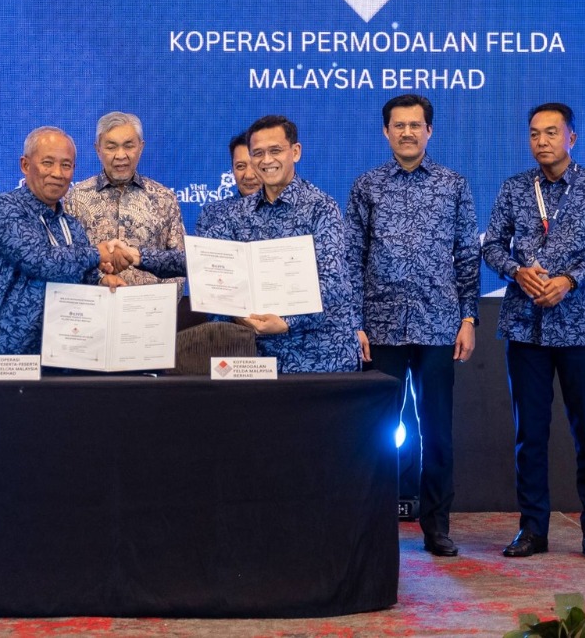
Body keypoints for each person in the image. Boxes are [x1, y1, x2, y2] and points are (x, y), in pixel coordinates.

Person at [482, 102, 585, 561]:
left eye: (551, 132)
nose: (541, 141)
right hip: (525, 328)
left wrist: (569, 280)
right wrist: (517, 272)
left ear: (571, 138)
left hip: (581, 327)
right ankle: (532, 530)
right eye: (534, 134)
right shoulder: (514, 188)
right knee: (530, 435)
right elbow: (492, 246)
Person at [344, 94, 480, 557]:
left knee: (437, 430)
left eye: (415, 125)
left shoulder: (453, 185)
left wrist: (468, 318)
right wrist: (355, 323)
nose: (407, 132)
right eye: (398, 125)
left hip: (439, 326)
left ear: (429, 131)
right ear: (386, 132)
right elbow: (351, 259)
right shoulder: (366, 187)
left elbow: (467, 256)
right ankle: (372, 523)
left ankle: (437, 525)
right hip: (380, 327)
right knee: (375, 431)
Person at [0, 127, 138, 368]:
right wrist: (97, 253)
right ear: (25, 165)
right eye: (48, 163)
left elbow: (82, 279)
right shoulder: (2, 209)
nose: (57, 173)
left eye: (66, 165)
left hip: (54, 362)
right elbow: (40, 260)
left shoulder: (71, 225)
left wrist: (103, 284)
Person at [201, 114, 363, 372]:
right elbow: (204, 257)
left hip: (320, 358)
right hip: (259, 358)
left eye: (275, 151)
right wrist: (140, 257)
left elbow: (333, 282)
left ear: (295, 152)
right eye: (258, 153)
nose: (266, 160)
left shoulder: (321, 208)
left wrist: (288, 321)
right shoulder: (239, 213)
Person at [63, 111, 186, 286]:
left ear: (141, 147)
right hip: (95, 300)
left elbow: (180, 262)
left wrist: (164, 300)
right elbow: (67, 261)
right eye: (111, 147)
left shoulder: (164, 198)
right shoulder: (75, 198)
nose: (121, 155)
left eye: (128, 146)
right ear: (98, 149)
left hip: (150, 302)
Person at [195, 131, 260, 240]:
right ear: (233, 170)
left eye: (255, 165)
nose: (248, 175)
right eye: (240, 166)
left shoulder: (287, 211)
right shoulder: (211, 213)